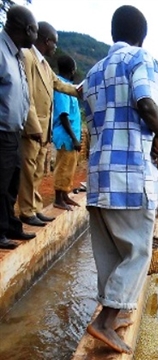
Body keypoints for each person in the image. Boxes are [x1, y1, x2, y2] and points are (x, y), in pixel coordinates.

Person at [83, 5, 158, 354]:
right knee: (137, 251)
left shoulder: (92, 72)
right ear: (141, 35)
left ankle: (112, 315)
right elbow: (146, 102)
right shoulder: (140, 58)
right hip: (130, 174)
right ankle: (105, 321)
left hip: (99, 176)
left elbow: (92, 122)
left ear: (113, 33)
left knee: (110, 253)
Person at [18, 21, 80, 227]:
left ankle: (34, 208)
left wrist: (80, 89)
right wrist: (34, 126)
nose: (55, 46)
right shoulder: (27, 57)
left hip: (44, 131)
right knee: (27, 171)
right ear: (47, 40)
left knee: (37, 171)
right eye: (54, 42)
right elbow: (26, 95)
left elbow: (60, 85)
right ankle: (26, 211)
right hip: (33, 128)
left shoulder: (44, 64)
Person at [0, 5, 39, 249]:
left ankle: (10, 226)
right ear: (27, 29)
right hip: (1, 132)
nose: (35, 35)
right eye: (34, 30)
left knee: (12, 183)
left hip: (14, 132)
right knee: (0, 184)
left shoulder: (16, 56)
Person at [52, 55, 82, 211]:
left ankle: (64, 195)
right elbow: (63, 115)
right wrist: (73, 138)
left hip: (72, 136)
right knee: (63, 167)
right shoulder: (62, 87)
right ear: (72, 70)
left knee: (69, 166)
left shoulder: (69, 86)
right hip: (65, 135)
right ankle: (58, 198)